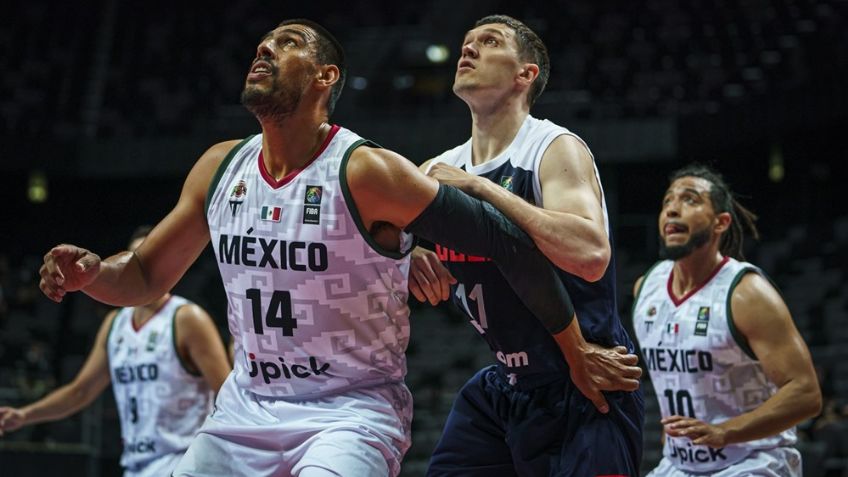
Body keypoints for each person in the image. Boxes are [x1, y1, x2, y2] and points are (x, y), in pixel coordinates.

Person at [37, 19, 638, 477]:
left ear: (326, 77)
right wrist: (93, 273)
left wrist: (575, 349)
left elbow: (544, 247)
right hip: (252, 407)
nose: (264, 50)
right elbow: (144, 274)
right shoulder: (223, 167)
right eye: (262, 43)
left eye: (287, 42)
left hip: (366, 406)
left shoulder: (522, 151)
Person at [410, 14, 644, 476]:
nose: (468, 49)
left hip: (587, 372)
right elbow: (373, 245)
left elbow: (590, 255)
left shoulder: (552, 147)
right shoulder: (439, 167)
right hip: (507, 384)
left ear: (525, 74)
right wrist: (410, 253)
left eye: (489, 42)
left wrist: (481, 189)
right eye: (467, 42)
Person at [632, 164, 822, 476]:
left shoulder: (747, 294)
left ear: (721, 222)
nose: (672, 210)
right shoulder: (646, 288)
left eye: (690, 200)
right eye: (667, 201)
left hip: (753, 461)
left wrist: (726, 431)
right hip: (679, 464)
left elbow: (805, 393)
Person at [1, 226, 230, 477]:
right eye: (138, 261)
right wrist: (24, 415)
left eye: (153, 261)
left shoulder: (187, 319)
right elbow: (80, 391)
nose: (146, 268)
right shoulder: (115, 324)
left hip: (186, 461)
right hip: (137, 464)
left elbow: (227, 396)